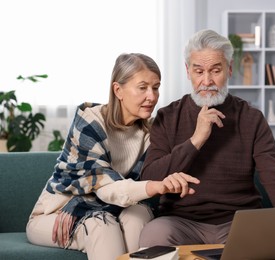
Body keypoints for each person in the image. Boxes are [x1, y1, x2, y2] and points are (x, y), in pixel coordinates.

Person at [139, 29, 275, 255]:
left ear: (229, 69)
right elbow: (149, 177)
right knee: (153, 234)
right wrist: (196, 140)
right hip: (180, 223)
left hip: (238, 222)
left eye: (216, 70)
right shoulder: (168, 116)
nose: (207, 81)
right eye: (199, 71)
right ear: (188, 72)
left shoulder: (251, 118)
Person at [26, 53, 200, 260]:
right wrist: (157, 185)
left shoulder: (151, 133)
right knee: (102, 225)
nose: (152, 96)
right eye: (143, 87)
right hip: (60, 211)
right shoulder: (90, 122)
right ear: (118, 90)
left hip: (117, 207)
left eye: (156, 87)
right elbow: (106, 186)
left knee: (138, 218)